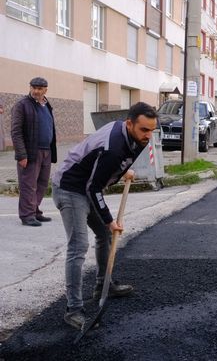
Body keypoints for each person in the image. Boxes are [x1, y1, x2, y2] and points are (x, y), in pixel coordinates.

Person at [51, 102, 158, 330]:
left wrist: (122, 171)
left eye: (152, 130)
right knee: (79, 246)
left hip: (88, 185)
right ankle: (74, 310)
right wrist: (110, 221)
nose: (149, 136)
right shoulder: (114, 146)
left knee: (105, 237)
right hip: (70, 188)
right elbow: (94, 188)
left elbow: (109, 167)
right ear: (130, 124)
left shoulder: (136, 137)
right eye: (144, 130)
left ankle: (103, 286)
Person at [11, 77, 57, 226]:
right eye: (34, 88)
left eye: (39, 88)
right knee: (28, 185)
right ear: (30, 88)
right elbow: (16, 132)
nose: (36, 91)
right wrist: (21, 155)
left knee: (42, 184)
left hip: (46, 151)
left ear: (45, 90)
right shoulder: (22, 105)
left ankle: (35, 211)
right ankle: (27, 215)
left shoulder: (46, 105)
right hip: (31, 152)